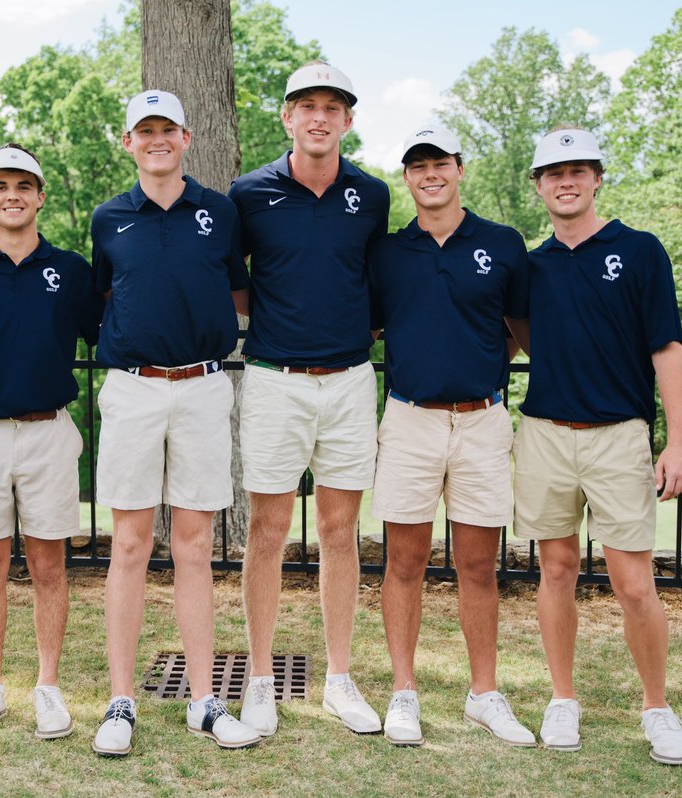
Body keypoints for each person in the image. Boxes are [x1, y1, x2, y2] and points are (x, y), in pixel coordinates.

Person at [510, 127, 682, 765]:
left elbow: (666, 348)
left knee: (633, 583)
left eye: (579, 170)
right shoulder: (528, 264)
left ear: (596, 178)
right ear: (538, 185)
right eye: (554, 172)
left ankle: (656, 707)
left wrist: (679, 442)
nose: (567, 181)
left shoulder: (640, 251)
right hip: (545, 434)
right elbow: (522, 337)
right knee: (555, 569)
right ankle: (563, 699)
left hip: (620, 436)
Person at [89, 90, 260, 756]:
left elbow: (239, 292)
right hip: (133, 390)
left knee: (193, 548)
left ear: (187, 136)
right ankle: (122, 703)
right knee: (130, 546)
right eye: (144, 130)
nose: (156, 139)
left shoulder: (219, 213)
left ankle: (203, 701)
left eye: (168, 128)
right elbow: (106, 296)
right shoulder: (109, 219)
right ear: (127, 142)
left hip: (202, 387)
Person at [228, 62, 389, 736]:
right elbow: (236, 284)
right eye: (306, 106)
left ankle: (339, 680)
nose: (319, 117)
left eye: (332, 106)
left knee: (337, 533)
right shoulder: (249, 193)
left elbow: (376, 282)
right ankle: (260, 680)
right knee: (265, 532)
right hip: (272, 378)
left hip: (351, 379)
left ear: (347, 120)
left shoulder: (373, 195)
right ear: (287, 117)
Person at [368, 125, 533, 748]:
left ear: (459, 169)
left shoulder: (502, 242)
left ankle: (484, 694)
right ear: (406, 178)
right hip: (410, 419)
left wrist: (479, 368)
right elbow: (375, 326)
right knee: (404, 562)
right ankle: (404, 692)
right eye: (417, 166)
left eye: (439, 163)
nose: (429, 174)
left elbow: (519, 328)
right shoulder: (386, 252)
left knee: (477, 566)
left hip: (484, 420)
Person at [0, 144, 103, 740]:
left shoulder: (72, 269)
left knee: (49, 565)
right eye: (0, 185)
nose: (12, 195)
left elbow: (107, 331)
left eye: (23, 185)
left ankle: (49, 687)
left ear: (39, 196)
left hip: (48, 432)